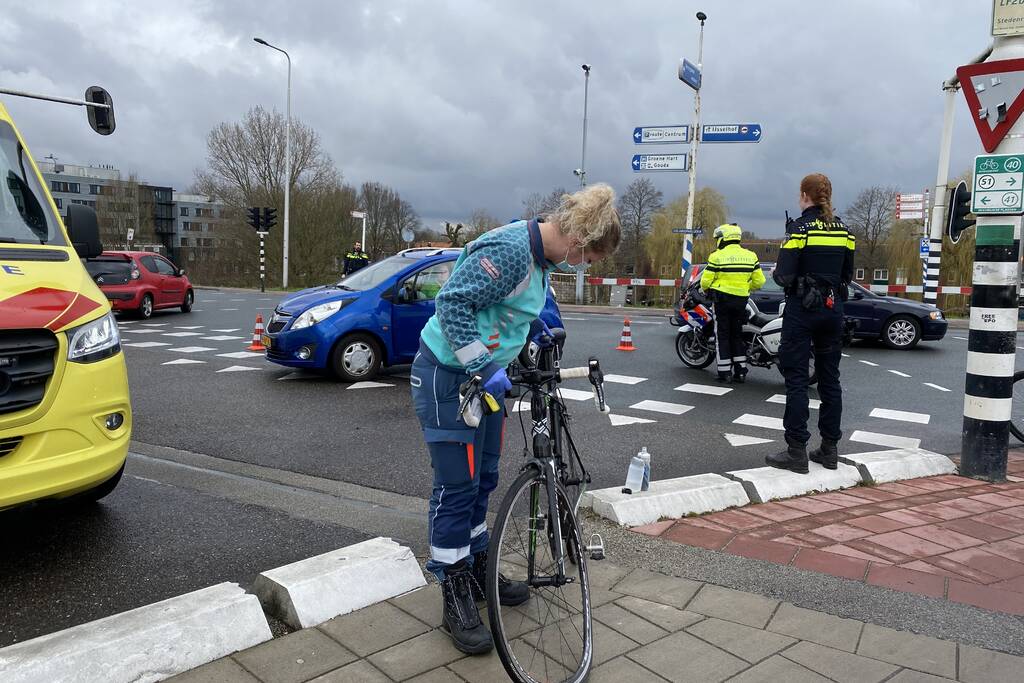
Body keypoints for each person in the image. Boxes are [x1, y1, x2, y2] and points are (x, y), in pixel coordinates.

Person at [410, 184, 620, 654]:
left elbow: (509, 308)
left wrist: (538, 328)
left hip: (479, 387)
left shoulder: (540, 260)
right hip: (450, 379)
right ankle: (454, 588)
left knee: (483, 480)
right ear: (579, 236)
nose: (581, 265)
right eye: (586, 257)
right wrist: (484, 364)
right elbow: (452, 306)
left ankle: (479, 567)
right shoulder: (510, 251)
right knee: (455, 488)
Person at [767, 173, 855, 474]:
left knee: (797, 379)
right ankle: (829, 449)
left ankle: (796, 451)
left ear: (805, 195)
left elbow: (783, 275)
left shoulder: (799, 229)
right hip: (833, 308)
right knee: (831, 380)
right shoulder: (844, 230)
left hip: (802, 310)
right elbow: (848, 275)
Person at [699, 223, 765, 382]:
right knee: (737, 335)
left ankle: (724, 373)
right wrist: (744, 287)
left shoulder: (716, 256)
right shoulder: (751, 255)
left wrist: (708, 289)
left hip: (722, 301)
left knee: (722, 335)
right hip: (741, 301)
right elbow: (759, 281)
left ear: (723, 238)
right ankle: (741, 371)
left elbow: (705, 282)